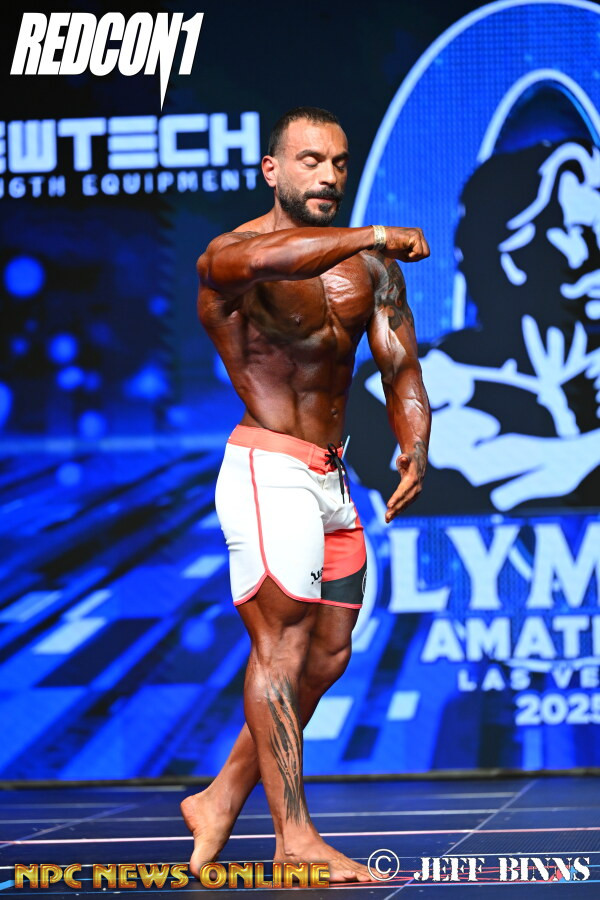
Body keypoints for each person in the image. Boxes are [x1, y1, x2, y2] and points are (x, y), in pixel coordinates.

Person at [181, 106, 431, 883]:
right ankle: (293, 837)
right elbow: (278, 256)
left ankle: (220, 797)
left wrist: (416, 441)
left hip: (331, 476)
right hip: (267, 471)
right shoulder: (232, 256)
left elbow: (400, 364)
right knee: (281, 650)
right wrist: (373, 233)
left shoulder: (373, 271)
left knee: (328, 653)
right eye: (310, 161)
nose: (328, 175)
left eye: (339, 163)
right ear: (273, 170)